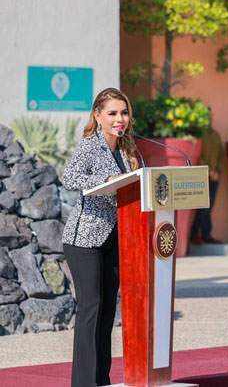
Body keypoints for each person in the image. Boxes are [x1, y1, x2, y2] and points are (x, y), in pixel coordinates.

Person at [61, 88, 139, 386]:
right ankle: (83, 382)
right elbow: (70, 178)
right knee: (90, 310)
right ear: (98, 116)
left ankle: (101, 380)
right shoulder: (89, 146)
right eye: (113, 113)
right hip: (84, 240)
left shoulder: (127, 147)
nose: (120, 119)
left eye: (123, 112)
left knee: (107, 312)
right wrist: (104, 180)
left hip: (115, 238)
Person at [191, 107, 224, 244]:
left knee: (209, 207)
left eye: (211, 116)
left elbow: (221, 155)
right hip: (202, 177)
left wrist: (217, 171)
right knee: (202, 207)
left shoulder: (215, 135)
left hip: (215, 177)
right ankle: (196, 234)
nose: (209, 119)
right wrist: (208, 171)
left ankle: (205, 234)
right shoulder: (199, 136)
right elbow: (199, 155)